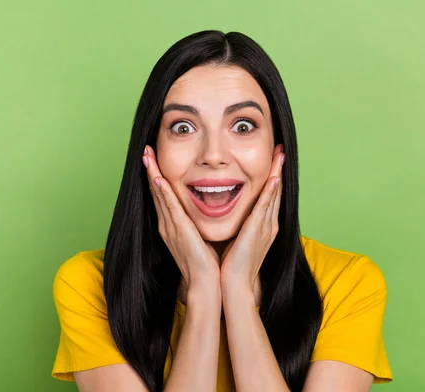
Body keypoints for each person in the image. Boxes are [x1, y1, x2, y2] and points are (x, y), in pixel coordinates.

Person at [51, 30, 393, 392]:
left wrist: (238, 293)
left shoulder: (349, 284)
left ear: (278, 150)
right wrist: (202, 291)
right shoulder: (90, 285)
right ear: (150, 154)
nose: (213, 154)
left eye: (243, 126)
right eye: (183, 127)